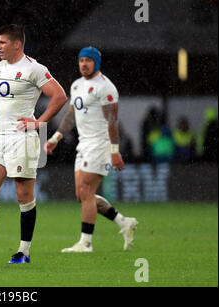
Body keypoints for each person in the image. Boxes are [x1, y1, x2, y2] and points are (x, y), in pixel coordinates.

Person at [0, 24, 67, 264]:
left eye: (2, 42)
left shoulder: (34, 69)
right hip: (0, 139)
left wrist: (39, 122)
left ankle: (23, 252)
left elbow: (59, 96)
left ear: (17, 44)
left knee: (23, 195)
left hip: (22, 138)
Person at [45, 47, 138, 252]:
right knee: (82, 195)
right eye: (81, 61)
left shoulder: (105, 87)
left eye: (88, 60)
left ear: (96, 63)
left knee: (86, 191)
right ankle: (124, 222)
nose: (84, 64)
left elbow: (112, 121)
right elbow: (71, 115)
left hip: (100, 144)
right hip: (83, 144)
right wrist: (55, 137)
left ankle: (86, 243)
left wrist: (115, 150)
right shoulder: (77, 85)